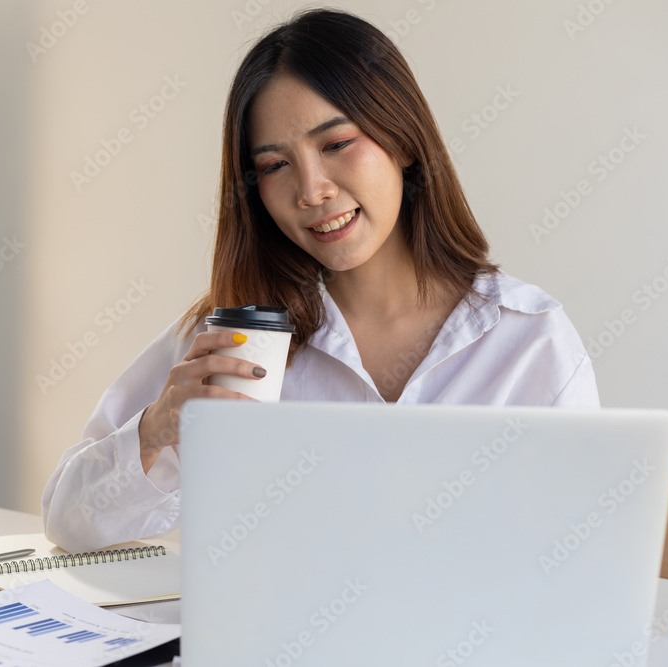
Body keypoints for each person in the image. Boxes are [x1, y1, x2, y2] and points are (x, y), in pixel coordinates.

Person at [42, 9, 599, 552]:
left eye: (336, 145)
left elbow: (579, 563)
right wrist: (157, 428)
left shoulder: (529, 341)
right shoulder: (238, 337)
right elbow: (69, 522)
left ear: (403, 141)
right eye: (274, 166)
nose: (311, 191)